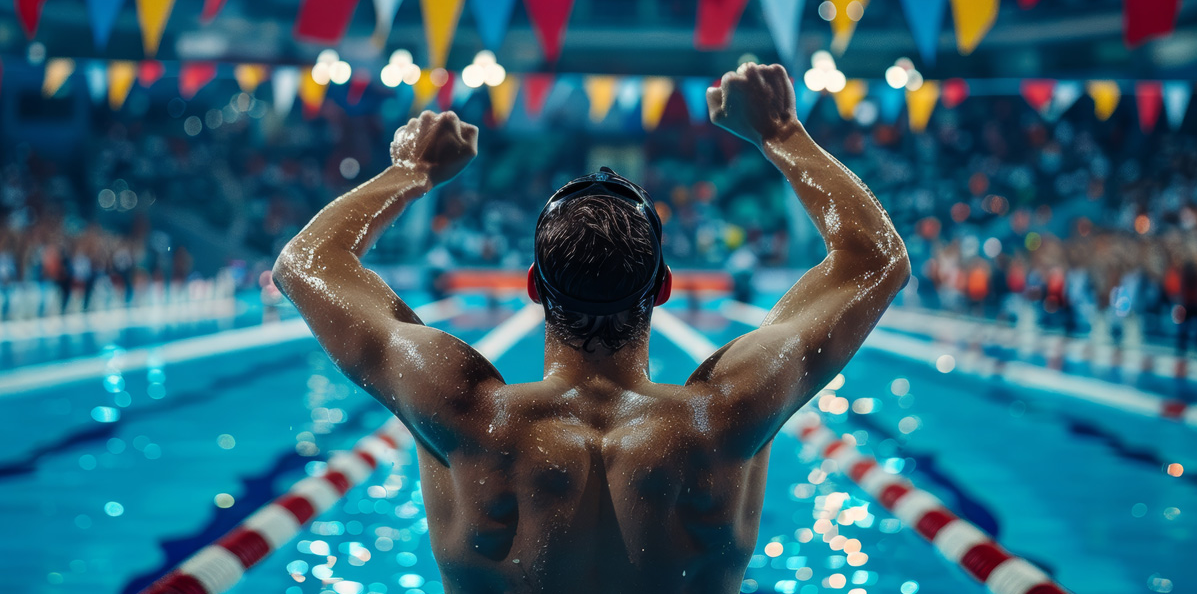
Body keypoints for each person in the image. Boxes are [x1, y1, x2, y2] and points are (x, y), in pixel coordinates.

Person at [273, 63, 910, 593]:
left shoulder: (464, 409)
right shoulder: (723, 417)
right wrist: (781, 132)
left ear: (531, 287)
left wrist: (411, 172)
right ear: (663, 288)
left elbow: (307, 265)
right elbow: (874, 259)